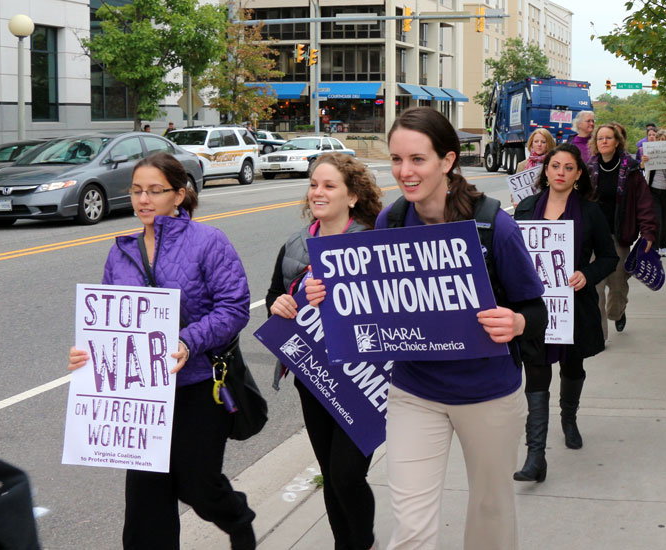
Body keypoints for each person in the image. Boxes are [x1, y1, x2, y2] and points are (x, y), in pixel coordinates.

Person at [306, 107, 547, 550]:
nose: (404, 171)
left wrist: (515, 322)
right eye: (397, 160)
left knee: (490, 515)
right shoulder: (390, 221)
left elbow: (537, 311)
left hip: (488, 395)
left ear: (447, 161)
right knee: (412, 525)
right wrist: (331, 297)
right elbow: (372, 311)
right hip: (414, 393)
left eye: (417, 159)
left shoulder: (494, 224)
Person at [67, 152, 256, 550]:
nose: (144, 199)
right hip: (141, 396)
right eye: (137, 191)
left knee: (198, 486)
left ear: (180, 195)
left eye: (155, 190)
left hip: (199, 385)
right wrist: (90, 357)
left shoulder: (208, 241)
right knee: (145, 505)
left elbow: (234, 308)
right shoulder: (122, 251)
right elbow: (109, 323)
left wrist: (189, 341)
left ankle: (236, 517)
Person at [265, 153, 383, 550]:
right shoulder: (296, 244)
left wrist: (340, 296)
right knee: (330, 476)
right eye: (314, 184)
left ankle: (362, 543)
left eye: (329, 185)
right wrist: (281, 305)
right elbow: (274, 298)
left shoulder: (371, 241)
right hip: (312, 377)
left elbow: (391, 311)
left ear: (352, 197)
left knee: (348, 475)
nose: (318, 192)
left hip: (363, 381)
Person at [512, 143, 618, 482]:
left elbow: (608, 257)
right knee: (537, 373)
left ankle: (569, 418)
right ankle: (535, 456)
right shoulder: (526, 209)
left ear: (578, 174)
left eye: (568, 167)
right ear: (545, 171)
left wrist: (587, 275)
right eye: (555, 165)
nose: (560, 172)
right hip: (536, 309)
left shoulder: (590, 212)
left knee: (573, 368)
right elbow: (513, 256)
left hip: (574, 307)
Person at [587, 123, 658, 339]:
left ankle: (618, 313)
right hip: (593, 238)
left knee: (617, 285)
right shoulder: (588, 169)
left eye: (608, 138)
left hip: (619, 236)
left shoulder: (631, 170)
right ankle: (600, 335)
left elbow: (644, 204)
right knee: (596, 288)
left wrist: (647, 233)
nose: (604, 141)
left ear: (617, 141)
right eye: (600, 138)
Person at [641, 129, 666, 257]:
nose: (661, 142)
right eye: (659, 140)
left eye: (664, 140)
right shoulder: (651, 152)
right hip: (654, 191)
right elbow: (641, 168)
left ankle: (664, 245)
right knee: (656, 220)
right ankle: (655, 246)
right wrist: (644, 161)